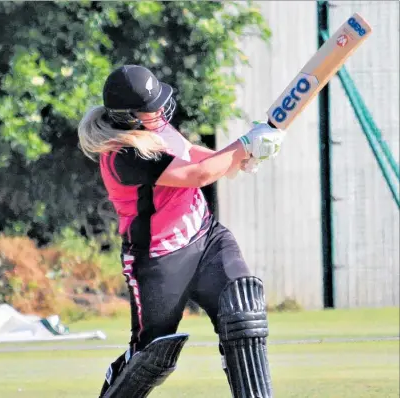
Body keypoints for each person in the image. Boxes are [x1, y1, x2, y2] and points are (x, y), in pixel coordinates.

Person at [77, 64, 284, 398]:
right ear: (130, 116)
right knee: (152, 356)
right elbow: (197, 175)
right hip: (158, 260)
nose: (160, 109)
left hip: (206, 239)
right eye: (150, 106)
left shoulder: (155, 127)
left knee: (243, 312)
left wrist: (239, 158)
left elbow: (192, 156)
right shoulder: (122, 155)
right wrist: (244, 144)